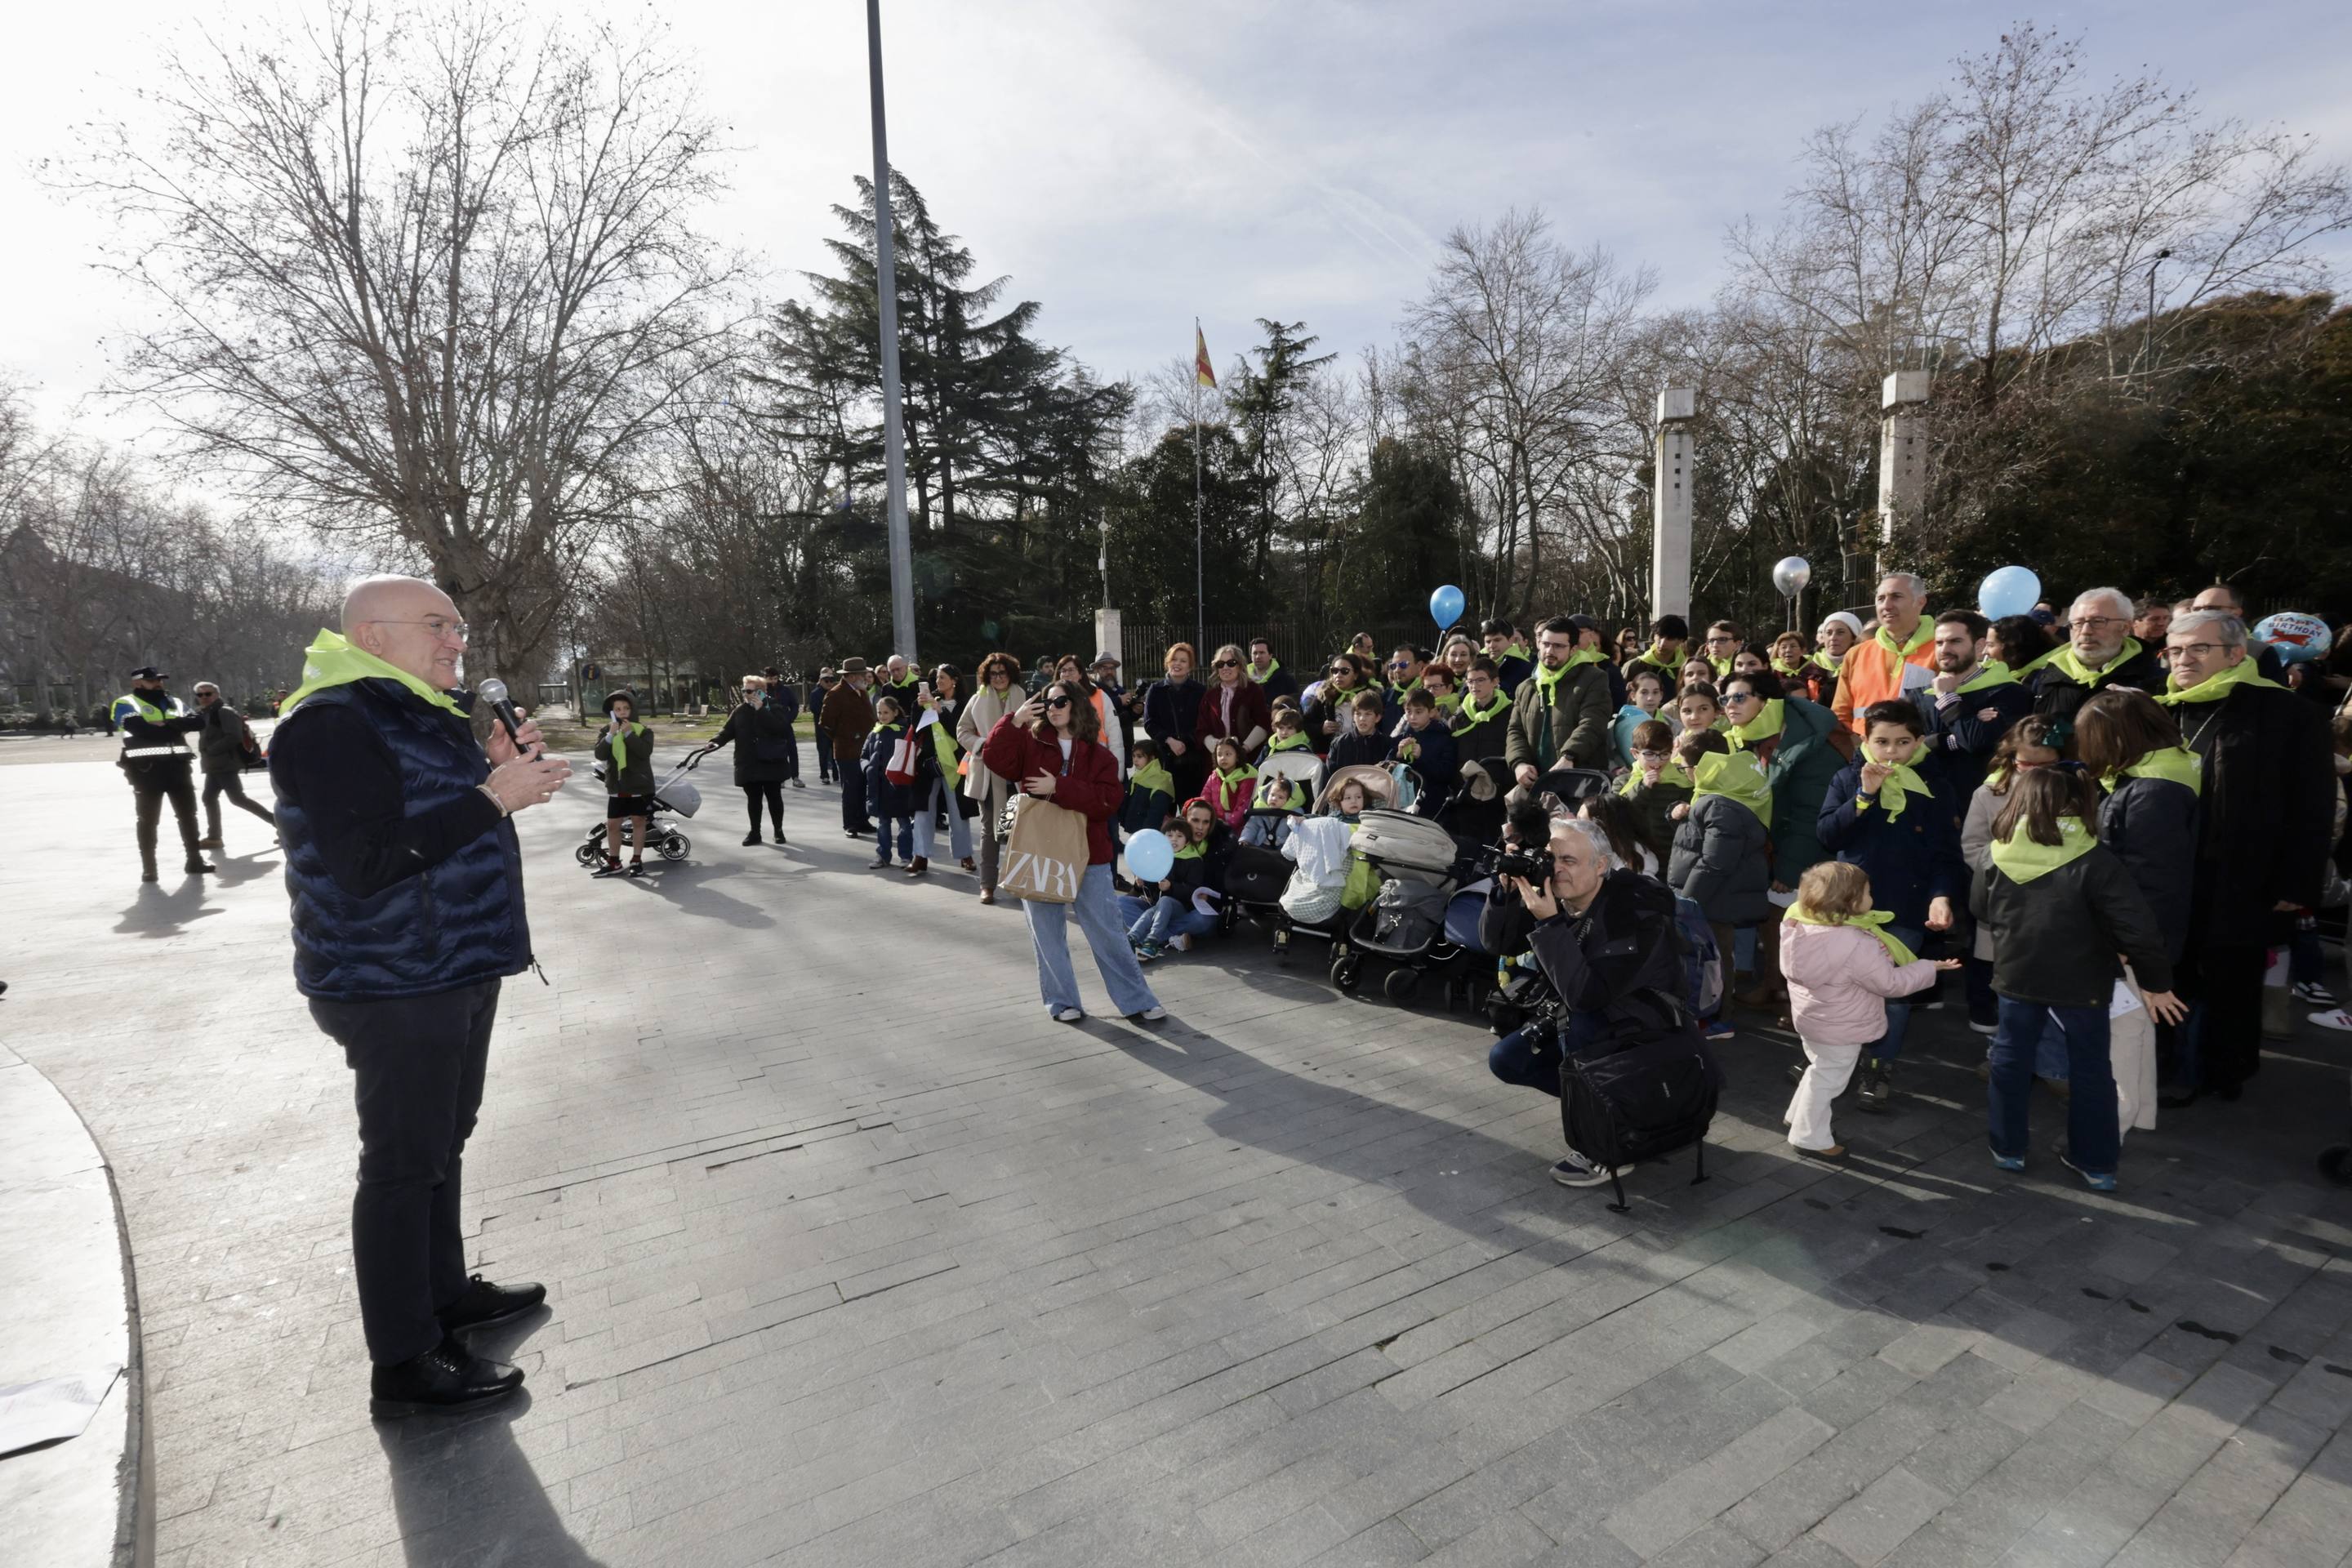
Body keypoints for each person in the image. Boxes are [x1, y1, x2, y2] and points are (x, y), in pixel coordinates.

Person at [266, 575, 572, 1416]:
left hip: (450, 967)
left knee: (444, 1139)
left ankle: (443, 1295)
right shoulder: (331, 720)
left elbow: (427, 817)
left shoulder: (406, 708)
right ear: (372, 635)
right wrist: (489, 797)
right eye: (437, 626)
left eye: (459, 627)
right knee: (402, 1165)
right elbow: (366, 865)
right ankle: (405, 1359)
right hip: (391, 981)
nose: (456, 642)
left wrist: (491, 772)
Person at [1972, 768, 2185, 1192]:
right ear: (2082, 802)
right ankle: (2097, 1163)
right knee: (2091, 1068)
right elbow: (2136, 927)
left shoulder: (1994, 852)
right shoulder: (2095, 858)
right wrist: (2156, 982)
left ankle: (2007, 1148)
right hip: (2083, 981)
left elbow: (1981, 908)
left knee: (2011, 1059)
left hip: (2016, 974)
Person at [2157, 608, 2334, 1102]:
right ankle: (2174, 1066)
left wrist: (2296, 884)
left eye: (2198, 648)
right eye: (2174, 649)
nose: (2183, 659)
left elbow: (2313, 806)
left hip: (2245, 875)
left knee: (2232, 979)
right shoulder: (2164, 707)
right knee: (2175, 971)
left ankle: (2222, 1071)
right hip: (2174, 872)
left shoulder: (2288, 713)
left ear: (2236, 654)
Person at [1485, 816, 1690, 1186]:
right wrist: (1505, 895)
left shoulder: (1633, 908)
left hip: (1644, 1026)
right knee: (1507, 1059)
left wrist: (1549, 925)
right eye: (1552, 857)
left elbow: (1587, 995)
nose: (1556, 869)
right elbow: (1497, 944)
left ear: (1601, 865)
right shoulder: (1559, 896)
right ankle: (1618, 1109)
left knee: (1582, 1028)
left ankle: (1607, 1142)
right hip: (1588, 1013)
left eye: (1569, 861)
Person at [981, 680, 1166, 1023]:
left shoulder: (1101, 755)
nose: (1053, 707)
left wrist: (1059, 787)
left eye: (1060, 701)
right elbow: (994, 758)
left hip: (1090, 855)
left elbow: (1107, 803)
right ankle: (1061, 1002)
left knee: (1108, 932)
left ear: (1076, 704)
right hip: (1038, 850)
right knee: (1047, 934)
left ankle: (1137, 1000)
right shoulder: (1030, 743)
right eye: (1048, 703)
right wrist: (1014, 721)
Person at [1813, 701, 1967, 1107]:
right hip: (1849, 906)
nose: (1891, 752)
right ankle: (1834, 1055)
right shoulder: (1848, 778)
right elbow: (1828, 834)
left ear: (1918, 741)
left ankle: (1879, 1063)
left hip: (1905, 903)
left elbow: (1946, 854)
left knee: (1893, 993)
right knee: (1840, 983)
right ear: (1866, 740)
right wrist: (1864, 796)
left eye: (1902, 742)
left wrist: (1940, 896)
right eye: (1882, 742)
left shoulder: (1936, 786)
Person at [2073, 688, 2202, 1136]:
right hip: (2137, 940)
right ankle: (2138, 1114)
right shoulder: (2156, 779)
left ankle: (2105, 1134)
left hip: (2130, 943)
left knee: (2122, 1041)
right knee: (2138, 1034)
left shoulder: (2151, 794)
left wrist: (2129, 947)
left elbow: (2150, 886)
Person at [1781, 861, 1957, 1160]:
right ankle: (1809, 1137)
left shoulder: (1798, 926)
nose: (1872, 898)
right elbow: (1891, 984)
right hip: (1843, 1027)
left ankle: (1796, 1116)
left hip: (1812, 1020)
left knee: (1819, 1069)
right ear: (1851, 903)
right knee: (1829, 1079)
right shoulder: (1858, 943)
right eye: (1868, 893)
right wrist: (1927, 967)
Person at [1719, 669, 1846, 998]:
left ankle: (1803, 1003)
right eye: (1725, 698)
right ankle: (1775, 987)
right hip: (1776, 850)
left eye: (1739, 697)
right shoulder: (1750, 734)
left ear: (1766, 701)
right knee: (1774, 924)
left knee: (1802, 932)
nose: (1729, 706)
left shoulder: (1808, 741)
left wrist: (1789, 870)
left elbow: (1811, 812)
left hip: (1811, 856)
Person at [1666, 730, 1774, 1040]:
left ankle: (1718, 1019)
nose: (1685, 774)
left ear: (1702, 768)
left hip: (1712, 899)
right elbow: (1698, 834)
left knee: (1714, 960)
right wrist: (1677, 814)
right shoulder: (1726, 789)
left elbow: (1715, 862)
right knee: (1713, 957)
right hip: (1717, 896)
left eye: (1685, 768)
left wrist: (1686, 902)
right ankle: (1713, 1015)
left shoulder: (1719, 803)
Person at [1916, 609, 2034, 801]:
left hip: (1987, 801)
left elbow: (1977, 742)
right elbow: (1911, 747)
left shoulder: (2010, 693)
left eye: (1955, 641)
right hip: (1931, 806)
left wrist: (1947, 698)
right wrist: (1960, 733)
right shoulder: (1920, 696)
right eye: (1939, 643)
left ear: (1979, 647)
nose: (1944, 650)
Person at [112, 665, 213, 883]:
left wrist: (166, 723)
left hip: (178, 768)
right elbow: (142, 730)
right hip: (146, 770)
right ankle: (150, 868)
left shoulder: (174, 702)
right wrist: (176, 727)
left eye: (159, 680)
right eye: (151, 681)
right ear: (137, 683)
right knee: (148, 820)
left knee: (188, 816)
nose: (158, 683)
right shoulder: (125, 703)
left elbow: (198, 722)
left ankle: (194, 860)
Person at [1506, 615, 1614, 787]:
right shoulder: (1526, 687)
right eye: (1546, 644)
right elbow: (1515, 731)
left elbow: (1593, 723)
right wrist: (1519, 763)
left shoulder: (1594, 679)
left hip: (1580, 782)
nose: (1550, 651)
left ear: (1573, 649)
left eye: (1558, 646)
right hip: (1535, 784)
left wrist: (1570, 757)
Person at [2030, 587, 2165, 723]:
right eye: (2078, 623)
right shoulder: (2045, 677)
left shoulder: (2156, 680)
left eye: (2098, 621)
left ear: (2125, 628)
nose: (2085, 631)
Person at [960, 653, 1031, 904]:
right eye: (994, 673)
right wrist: (982, 745)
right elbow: (962, 731)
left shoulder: (1022, 696)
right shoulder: (977, 698)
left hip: (1015, 775)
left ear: (1010, 673)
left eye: (1003, 672)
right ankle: (987, 884)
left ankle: (1016, 881)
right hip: (987, 775)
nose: (999, 677)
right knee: (989, 831)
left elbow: (1033, 730)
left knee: (1015, 830)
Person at [1833, 573, 1939, 732]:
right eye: (1881, 599)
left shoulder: (1943, 650)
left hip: (1921, 752)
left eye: (1896, 597)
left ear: (1920, 602)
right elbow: (1840, 714)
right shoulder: (1856, 654)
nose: (1887, 606)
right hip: (1862, 752)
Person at [711, 675, 796, 845]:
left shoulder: (774, 707)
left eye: (749, 691)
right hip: (749, 762)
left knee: (774, 797)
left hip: (771, 761)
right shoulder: (740, 710)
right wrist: (714, 742)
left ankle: (778, 831)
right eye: (744, 690)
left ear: (761, 691)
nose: (745, 694)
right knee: (753, 799)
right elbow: (727, 731)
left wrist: (761, 710)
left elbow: (780, 729)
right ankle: (755, 832)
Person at [191, 679, 276, 849]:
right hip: (214, 765)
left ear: (217, 694)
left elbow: (234, 736)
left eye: (208, 694)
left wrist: (213, 750)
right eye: (200, 695)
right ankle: (214, 838)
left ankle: (281, 825)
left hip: (225, 763)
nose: (204, 697)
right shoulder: (206, 713)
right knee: (209, 798)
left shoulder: (224, 712)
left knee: (238, 799)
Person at [909, 663, 975, 877]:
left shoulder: (965, 703)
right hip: (928, 764)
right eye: (937, 678)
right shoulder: (930, 700)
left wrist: (941, 711)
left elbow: (961, 733)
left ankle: (965, 855)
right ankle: (920, 856)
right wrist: (918, 706)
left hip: (955, 764)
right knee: (923, 811)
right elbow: (916, 727)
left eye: (943, 678)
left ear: (955, 680)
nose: (938, 682)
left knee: (958, 811)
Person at [1121, 817, 1217, 962]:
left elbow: (1193, 891)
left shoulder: (1194, 860)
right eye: (1170, 835)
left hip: (1180, 910)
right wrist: (1140, 884)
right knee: (1120, 902)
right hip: (1155, 909)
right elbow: (1150, 889)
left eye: (1179, 836)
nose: (1174, 840)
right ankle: (1163, 939)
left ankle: (1143, 938)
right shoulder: (1157, 856)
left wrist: (1171, 887)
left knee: (1202, 918)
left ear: (1187, 841)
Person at [590, 690, 656, 878]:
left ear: (632, 709)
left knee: (638, 821)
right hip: (617, 785)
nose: (622, 712)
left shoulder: (643, 730)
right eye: (618, 709)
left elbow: (644, 752)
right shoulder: (606, 730)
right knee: (612, 824)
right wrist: (610, 736)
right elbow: (600, 754)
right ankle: (614, 861)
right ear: (612, 712)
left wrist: (629, 735)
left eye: (626, 708)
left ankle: (636, 860)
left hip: (638, 785)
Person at [1619, 719, 1690, 867]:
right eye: (1650, 754)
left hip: (1672, 857)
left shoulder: (1682, 781)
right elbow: (1620, 813)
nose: (1658, 761)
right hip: (1636, 858)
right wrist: (1643, 787)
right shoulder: (1623, 782)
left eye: (1664, 754)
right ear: (1635, 753)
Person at [820, 657, 878, 837]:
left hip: (864, 749)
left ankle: (862, 820)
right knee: (851, 788)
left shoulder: (861, 691)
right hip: (847, 751)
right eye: (862, 674)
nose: (866, 677)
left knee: (862, 786)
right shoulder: (836, 694)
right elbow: (826, 723)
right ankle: (850, 824)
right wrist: (846, 737)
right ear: (851, 677)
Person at [1143, 643, 1206, 800]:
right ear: (1168, 663)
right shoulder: (1155, 690)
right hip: (1165, 759)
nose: (1178, 664)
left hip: (1193, 760)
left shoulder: (1200, 690)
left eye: (1183, 661)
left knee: (1191, 808)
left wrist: (1186, 740)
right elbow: (1150, 723)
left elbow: (1204, 722)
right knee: (1165, 812)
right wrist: (1169, 740)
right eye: (1174, 659)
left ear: (1190, 666)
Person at [2189, 582, 2289, 682]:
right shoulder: (2178, 647)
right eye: (2196, 609)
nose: (2201, 614)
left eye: (2211, 608)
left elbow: (2277, 695)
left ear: (2236, 613)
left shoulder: (2258, 651)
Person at [860, 697, 916, 869]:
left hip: (898, 787)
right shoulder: (874, 733)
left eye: (886, 712)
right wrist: (867, 768)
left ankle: (906, 856)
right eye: (879, 712)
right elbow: (864, 755)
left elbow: (909, 756)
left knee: (904, 823)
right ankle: (883, 855)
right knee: (883, 823)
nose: (882, 716)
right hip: (878, 787)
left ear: (895, 712)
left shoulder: (903, 732)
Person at [1196, 643, 1272, 758]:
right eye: (1221, 664)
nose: (1225, 668)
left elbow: (1263, 723)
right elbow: (1202, 729)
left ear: (1240, 666)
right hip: (1217, 761)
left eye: (1231, 663)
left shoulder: (1254, 690)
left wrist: (1244, 749)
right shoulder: (1209, 696)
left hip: (1247, 759)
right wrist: (1215, 747)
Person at [1390, 687, 1459, 814]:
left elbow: (1446, 774)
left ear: (1432, 712)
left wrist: (1422, 758)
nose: (1412, 717)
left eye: (1418, 712)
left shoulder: (1444, 738)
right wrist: (1398, 755)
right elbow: (1387, 766)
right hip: (1403, 803)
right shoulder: (1404, 736)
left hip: (1431, 803)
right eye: (1408, 711)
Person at [1302, 653, 1374, 752]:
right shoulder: (1324, 695)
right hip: (1332, 752)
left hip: (1363, 750)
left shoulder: (1369, 696)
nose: (1338, 675)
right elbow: (1306, 722)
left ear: (1356, 675)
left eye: (1345, 671)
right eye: (1334, 671)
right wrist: (1321, 729)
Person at [1451, 657, 1514, 769]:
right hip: (1465, 783)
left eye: (1480, 680)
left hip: (1501, 781)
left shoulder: (1511, 713)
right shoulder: (1459, 715)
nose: (1474, 686)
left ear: (1495, 681)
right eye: (1470, 681)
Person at [1611, 669, 1670, 770]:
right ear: (1633, 695)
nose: (1650, 698)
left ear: (1661, 695)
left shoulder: (1674, 725)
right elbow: (1607, 754)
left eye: (1655, 692)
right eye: (1644, 692)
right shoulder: (1616, 725)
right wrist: (1615, 768)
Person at [1624, 615, 1688, 701]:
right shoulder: (1634, 667)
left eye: (1670, 639)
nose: (1662, 644)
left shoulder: (1686, 668)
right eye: (1660, 636)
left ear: (1681, 641)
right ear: (1654, 636)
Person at [1201, 737, 1258, 833]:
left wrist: (1228, 825)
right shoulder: (1215, 775)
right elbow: (1205, 796)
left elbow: (1243, 806)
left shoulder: (1246, 777)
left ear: (1237, 757)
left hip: (1237, 827)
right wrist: (1209, 819)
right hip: (1214, 823)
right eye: (1219, 755)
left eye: (1228, 754)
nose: (1223, 758)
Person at [1327, 689, 1393, 773]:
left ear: (1378, 718)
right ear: (1353, 717)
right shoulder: (1339, 744)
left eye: (1368, 714)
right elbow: (1332, 776)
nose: (1362, 719)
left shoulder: (1387, 744)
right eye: (1358, 714)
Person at [761, 667, 805, 787]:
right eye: (771, 679)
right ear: (765, 678)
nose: (774, 681)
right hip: (771, 728)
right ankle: (780, 778)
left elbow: (795, 705)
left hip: (786, 726)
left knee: (792, 750)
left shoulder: (785, 690)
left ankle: (795, 777)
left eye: (775, 678)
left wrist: (789, 719)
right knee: (777, 752)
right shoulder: (762, 692)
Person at [1481, 618, 1533, 695]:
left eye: (1497, 640)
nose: (1492, 645)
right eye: (1488, 642)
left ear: (1511, 640)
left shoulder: (1527, 669)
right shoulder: (1477, 665)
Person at [1244, 636, 1298, 702]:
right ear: (1251, 656)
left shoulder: (1286, 680)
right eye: (1255, 653)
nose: (1258, 657)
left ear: (1270, 656)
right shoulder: (1242, 679)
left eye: (1262, 653)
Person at [809, 669, 840, 784]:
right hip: (821, 728)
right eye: (826, 681)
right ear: (821, 681)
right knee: (823, 752)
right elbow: (815, 709)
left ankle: (837, 775)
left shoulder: (835, 692)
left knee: (835, 752)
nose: (829, 683)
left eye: (831, 680)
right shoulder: (815, 694)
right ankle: (824, 775)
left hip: (834, 727)